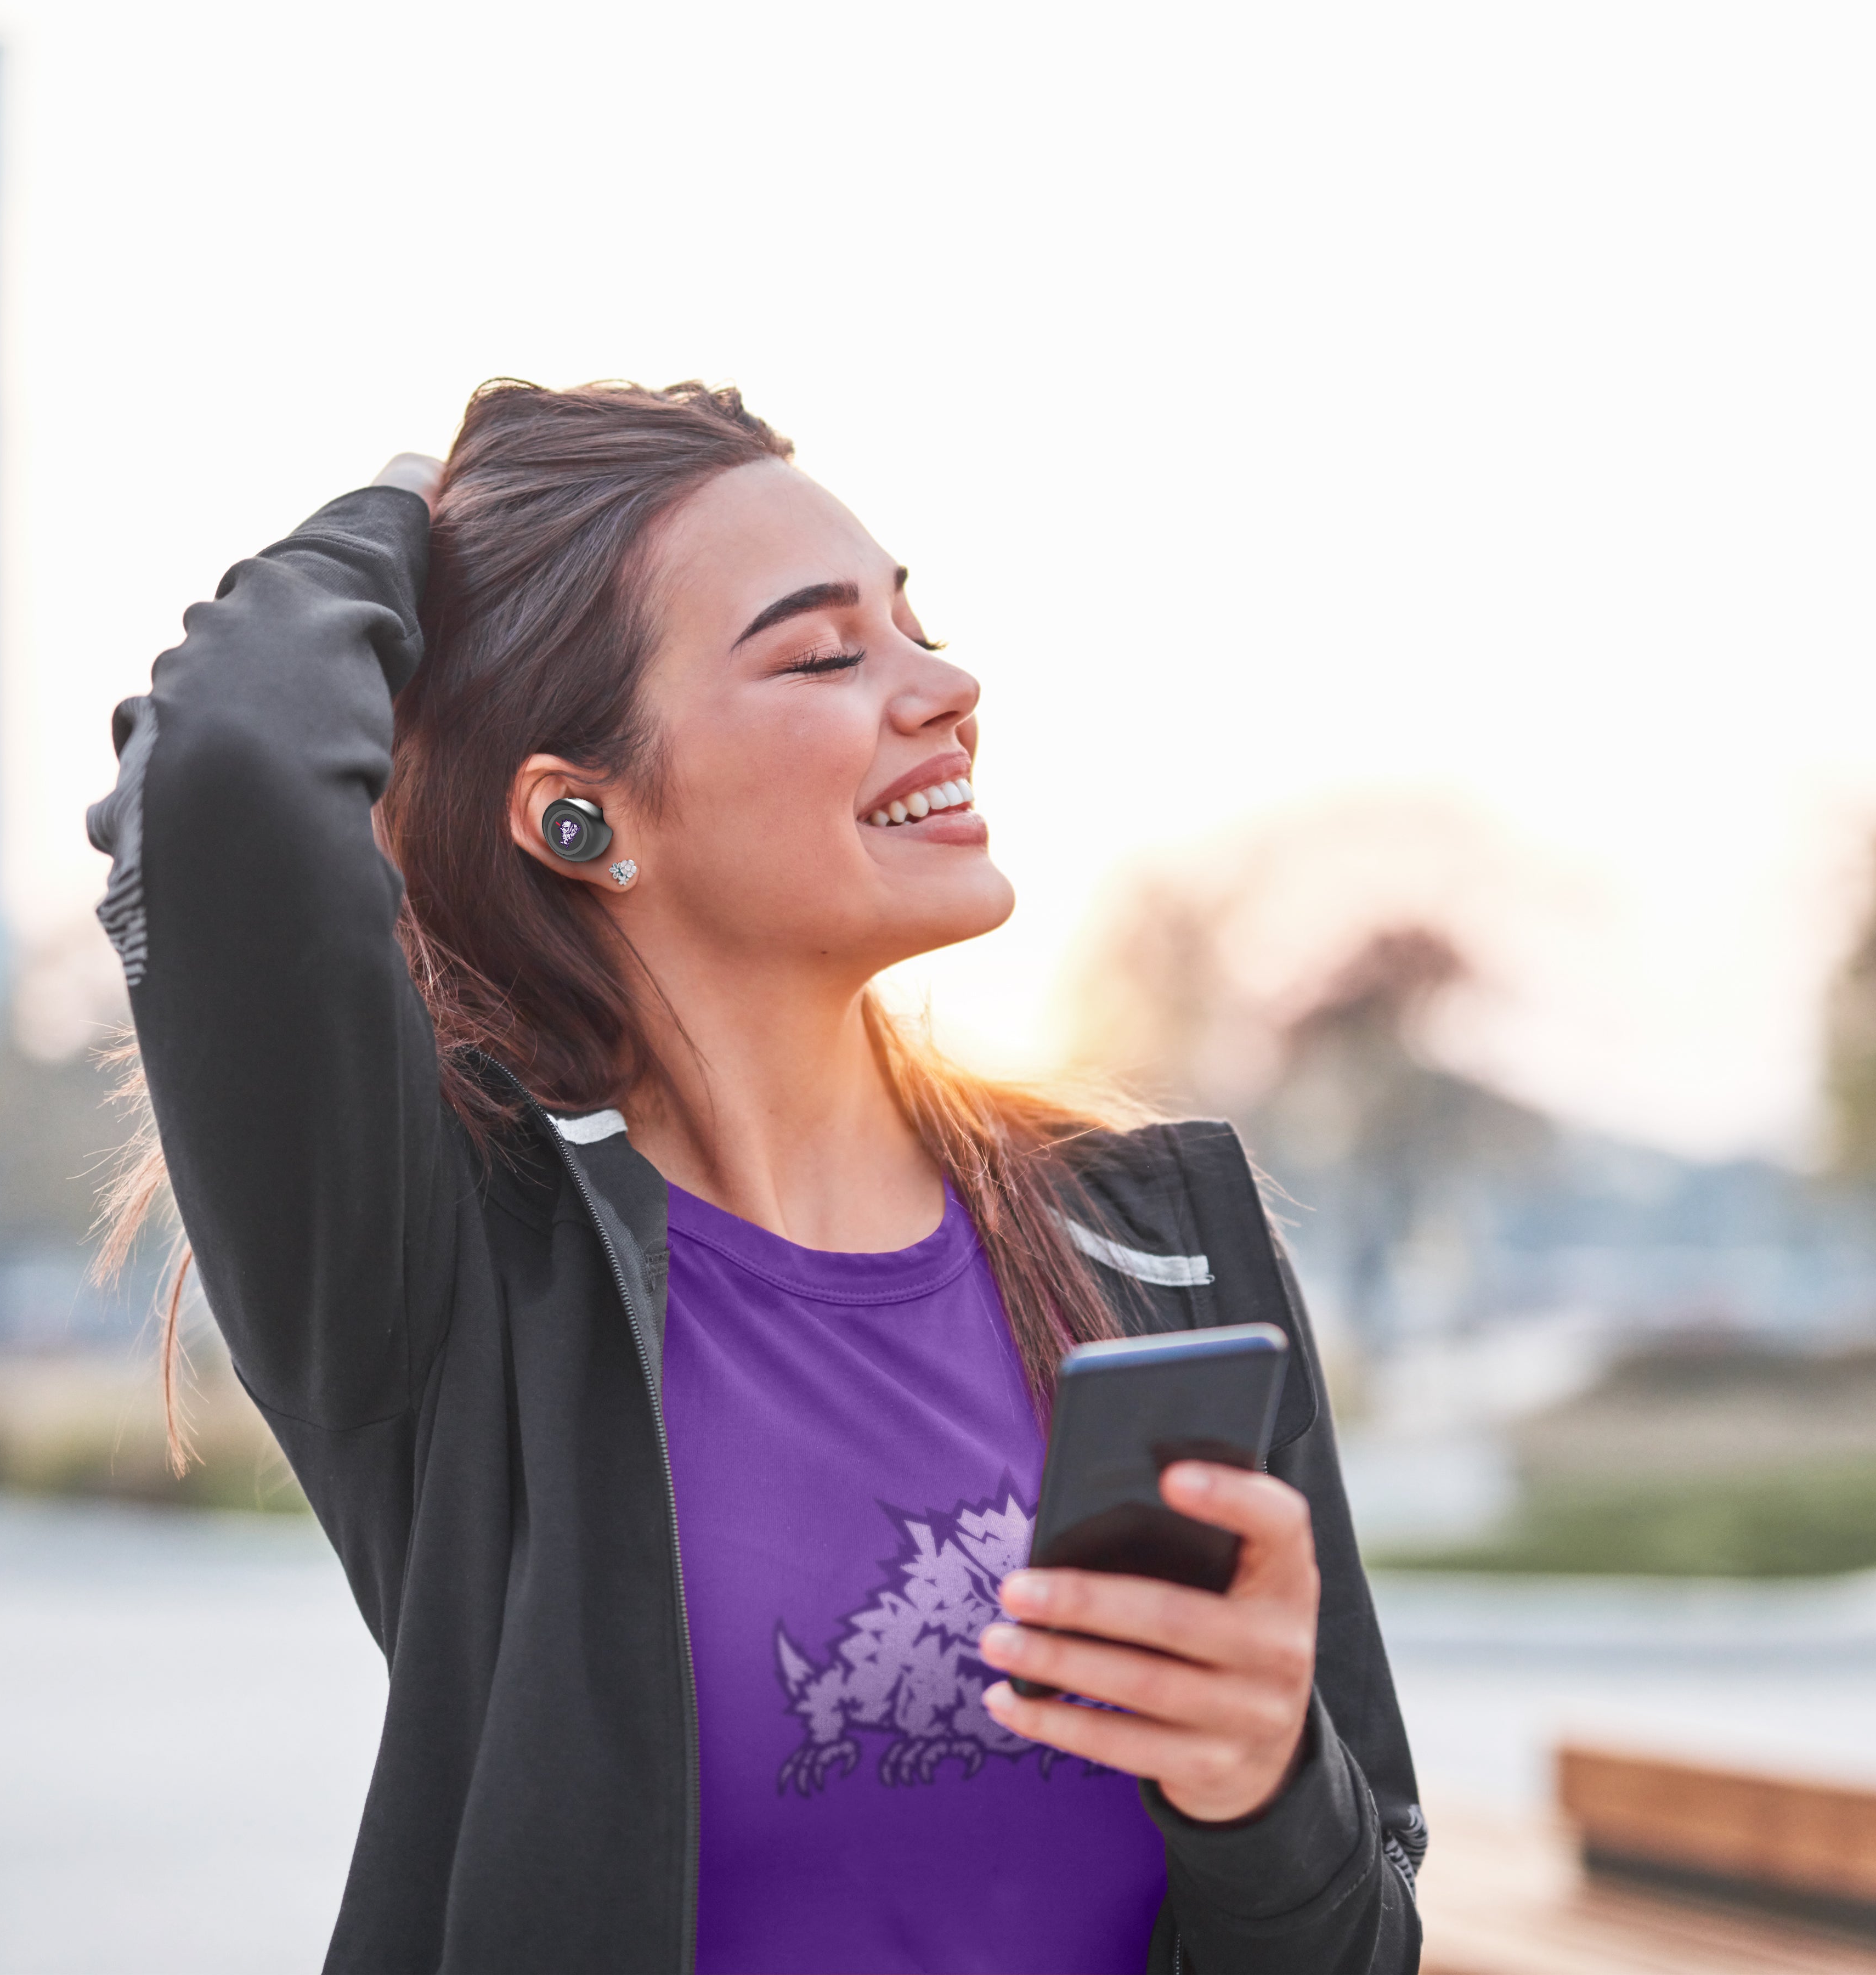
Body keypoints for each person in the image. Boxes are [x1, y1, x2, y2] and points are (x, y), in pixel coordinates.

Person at [91, 381, 1423, 1973]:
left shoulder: (1153, 1242)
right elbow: (227, 765)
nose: (946, 686)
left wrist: (1262, 1786)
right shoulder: (456, 1279)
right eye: (825, 651)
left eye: (915, 623)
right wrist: (423, 497)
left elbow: (1360, 1944)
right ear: (579, 816)